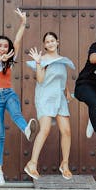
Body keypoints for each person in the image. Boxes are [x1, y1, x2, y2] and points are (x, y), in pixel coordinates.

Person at [0, 8, 39, 185]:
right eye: (0, 46)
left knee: (16, 115)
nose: (3, 48)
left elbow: (18, 40)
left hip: (8, 94)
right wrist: (1, 58)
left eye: (5, 46)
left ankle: (27, 130)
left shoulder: (10, 59)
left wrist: (23, 22)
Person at [23, 32, 76, 180]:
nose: (50, 43)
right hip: (45, 97)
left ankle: (64, 164)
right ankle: (32, 164)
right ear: (44, 45)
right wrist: (38, 63)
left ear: (57, 42)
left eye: (52, 40)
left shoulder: (62, 60)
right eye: (47, 42)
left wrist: (67, 91)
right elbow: (40, 80)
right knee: (45, 130)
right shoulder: (43, 60)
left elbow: (62, 78)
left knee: (67, 131)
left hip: (60, 98)